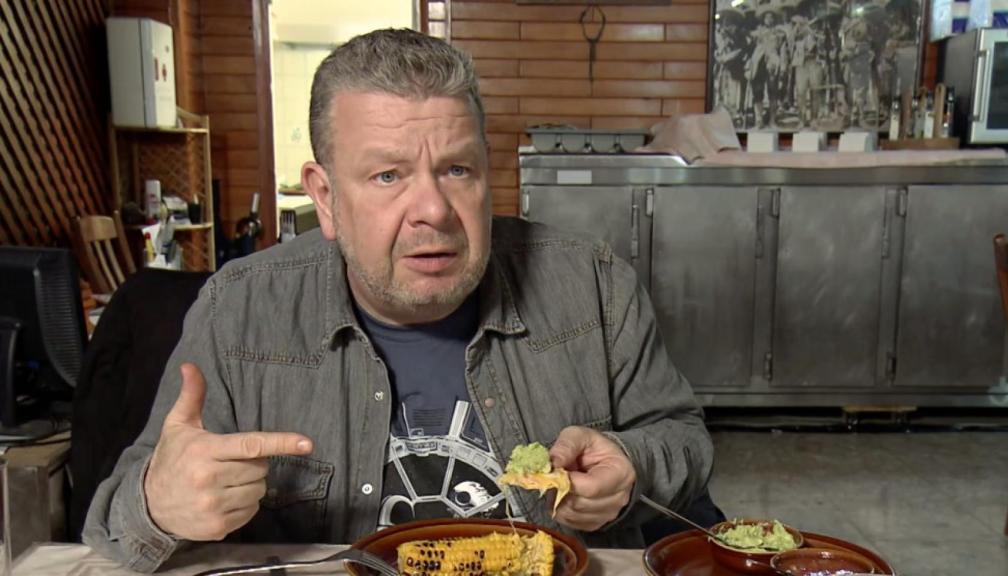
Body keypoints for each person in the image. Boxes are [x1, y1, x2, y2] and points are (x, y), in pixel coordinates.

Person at [82, 28, 713, 572]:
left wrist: (632, 464)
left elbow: (685, 441)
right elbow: (111, 526)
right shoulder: (238, 311)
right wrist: (160, 503)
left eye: (457, 170)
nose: (433, 210)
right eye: (388, 176)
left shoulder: (595, 285)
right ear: (325, 197)